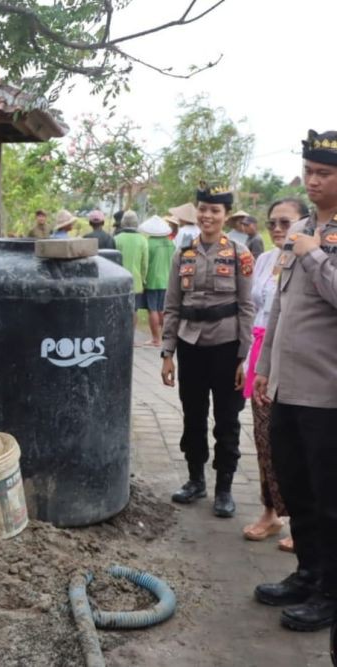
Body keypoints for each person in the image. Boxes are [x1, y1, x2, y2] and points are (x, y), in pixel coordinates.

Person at [253, 130, 337, 632]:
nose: (313, 181)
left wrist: (313, 254)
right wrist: (264, 367)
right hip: (287, 386)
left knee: (330, 498)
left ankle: (330, 591)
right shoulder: (300, 227)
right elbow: (279, 305)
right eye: (309, 172)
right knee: (297, 489)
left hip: (327, 393)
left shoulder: (313, 239)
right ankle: (306, 574)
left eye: (324, 174)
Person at [160, 183, 255, 518]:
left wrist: (244, 357)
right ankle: (195, 479)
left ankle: (224, 488)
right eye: (203, 208)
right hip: (190, 345)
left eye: (215, 210)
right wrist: (167, 352)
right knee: (193, 415)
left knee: (227, 419)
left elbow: (246, 307)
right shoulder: (182, 252)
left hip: (227, 347)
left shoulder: (240, 254)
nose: (207, 215)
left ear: (226, 215)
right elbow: (172, 305)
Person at [242, 198, 308, 550]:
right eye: (273, 223)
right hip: (261, 356)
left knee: (299, 445)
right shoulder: (265, 260)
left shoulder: (314, 258)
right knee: (265, 438)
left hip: (299, 360)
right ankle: (270, 512)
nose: (279, 230)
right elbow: (253, 312)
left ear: (303, 224)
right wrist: (246, 360)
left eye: (286, 223)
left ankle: (302, 522)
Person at [140, 216, 175, 347]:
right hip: (167, 280)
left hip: (152, 280)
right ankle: (166, 338)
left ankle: (156, 339)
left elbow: (145, 263)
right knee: (163, 310)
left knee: (152, 309)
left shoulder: (148, 243)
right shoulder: (171, 243)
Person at [114, 210, 148, 314]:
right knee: (134, 310)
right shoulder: (143, 240)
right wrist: (143, 280)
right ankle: (131, 330)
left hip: (118, 282)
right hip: (136, 282)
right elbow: (144, 264)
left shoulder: (116, 239)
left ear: (122, 222)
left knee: (119, 310)